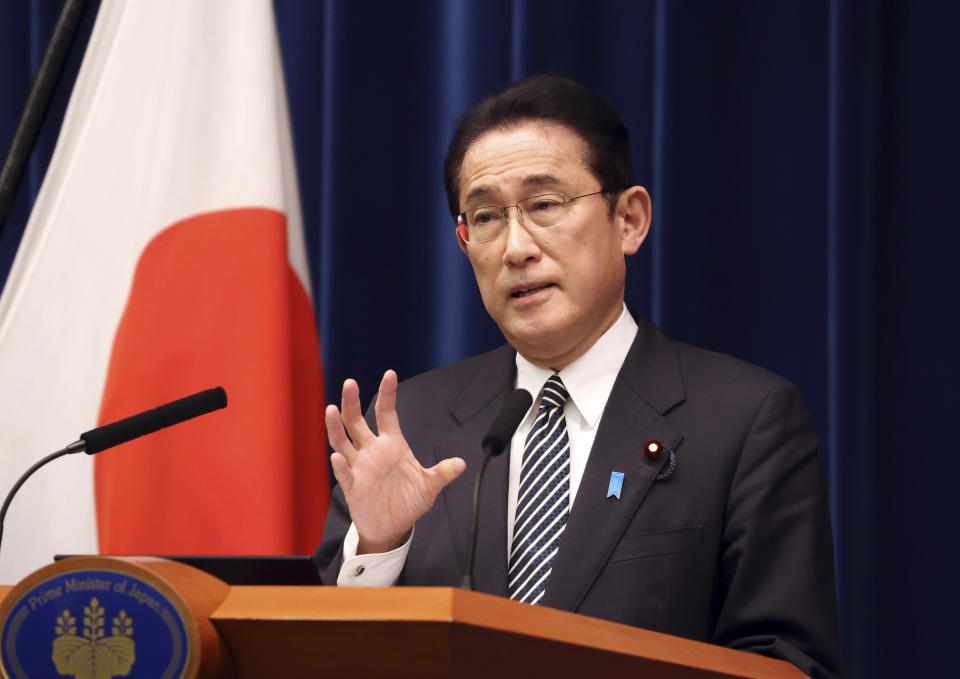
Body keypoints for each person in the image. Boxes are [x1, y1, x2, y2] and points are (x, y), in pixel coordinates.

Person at [313, 74, 843, 678]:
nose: (516, 248)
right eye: (485, 216)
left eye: (544, 205)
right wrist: (381, 550)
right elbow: (323, 659)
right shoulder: (413, 427)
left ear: (630, 220)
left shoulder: (745, 421)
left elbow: (787, 663)